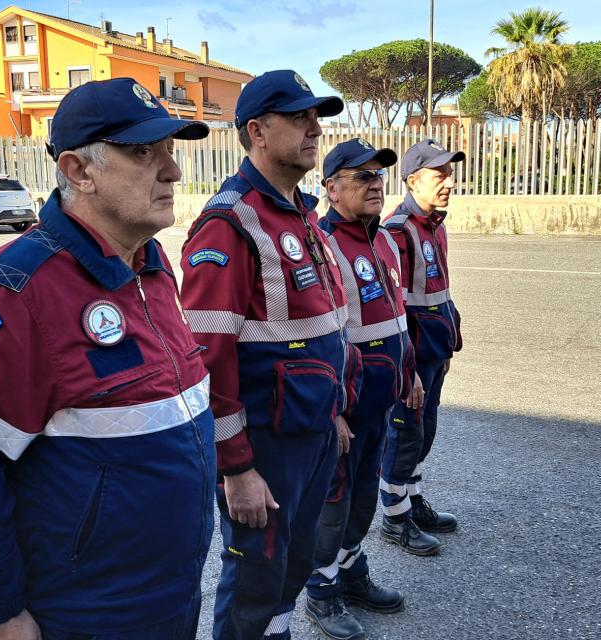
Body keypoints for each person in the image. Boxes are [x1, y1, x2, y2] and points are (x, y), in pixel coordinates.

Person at [0, 78, 215, 640]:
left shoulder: (149, 264)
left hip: (170, 593)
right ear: (79, 171)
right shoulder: (16, 292)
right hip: (86, 614)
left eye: (171, 151)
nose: (172, 171)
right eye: (144, 152)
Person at [179, 70, 359, 640]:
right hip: (265, 448)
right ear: (256, 130)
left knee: (293, 564)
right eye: (299, 117)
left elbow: (317, 333)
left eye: (317, 117)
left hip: (311, 431)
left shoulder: (301, 212)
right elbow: (208, 358)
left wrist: (334, 412)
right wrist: (236, 468)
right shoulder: (229, 224)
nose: (315, 128)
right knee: (256, 574)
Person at [303, 138, 423, 639]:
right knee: (333, 503)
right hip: (346, 407)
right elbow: (318, 334)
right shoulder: (321, 244)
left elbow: (397, 318)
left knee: (361, 501)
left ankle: (350, 573)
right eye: (361, 177)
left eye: (378, 176)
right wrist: (333, 410)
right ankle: (321, 592)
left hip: (381, 399)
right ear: (331, 188)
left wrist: (410, 371)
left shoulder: (386, 240)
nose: (375, 185)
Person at [380, 138, 464, 556]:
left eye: (449, 173)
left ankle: (410, 501)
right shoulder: (398, 231)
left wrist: (446, 349)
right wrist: (405, 367)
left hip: (434, 349)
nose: (448, 182)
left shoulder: (436, 225)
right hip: (411, 355)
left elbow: (437, 293)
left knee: (424, 431)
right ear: (413, 180)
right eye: (439, 175)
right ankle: (395, 519)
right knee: (405, 435)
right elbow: (393, 306)